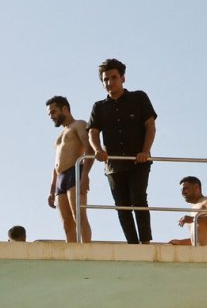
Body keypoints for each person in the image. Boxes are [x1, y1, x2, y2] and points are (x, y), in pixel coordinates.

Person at [87, 58, 158, 244]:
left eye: (113, 77)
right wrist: (98, 149)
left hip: (138, 161)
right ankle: (132, 244)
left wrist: (145, 151)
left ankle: (145, 242)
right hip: (114, 165)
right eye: (105, 79)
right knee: (122, 206)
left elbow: (150, 125)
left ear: (122, 78)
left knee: (139, 199)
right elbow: (93, 132)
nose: (109, 82)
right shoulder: (99, 107)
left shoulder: (139, 97)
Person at [45, 95, 92, 242]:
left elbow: (89, 149)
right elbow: (56, 164)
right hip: (60, 179)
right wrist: (52, 188)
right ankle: (71, 254)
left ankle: (86, 250)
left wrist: (85, 175)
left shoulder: (79, 125)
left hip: (75, 172)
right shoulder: (59, 136)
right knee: (66, 223)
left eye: (53, 112)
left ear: (64, 108)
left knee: (78, 215)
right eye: (49, 114)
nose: (51, 116)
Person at [168, 176, 207, 246]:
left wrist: (193, 219)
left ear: (196, 187)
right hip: (204, 250)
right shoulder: (194, 209)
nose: (183, 192)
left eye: (185, 189)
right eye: (181, 190)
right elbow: (200, 239)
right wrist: (180, 242)